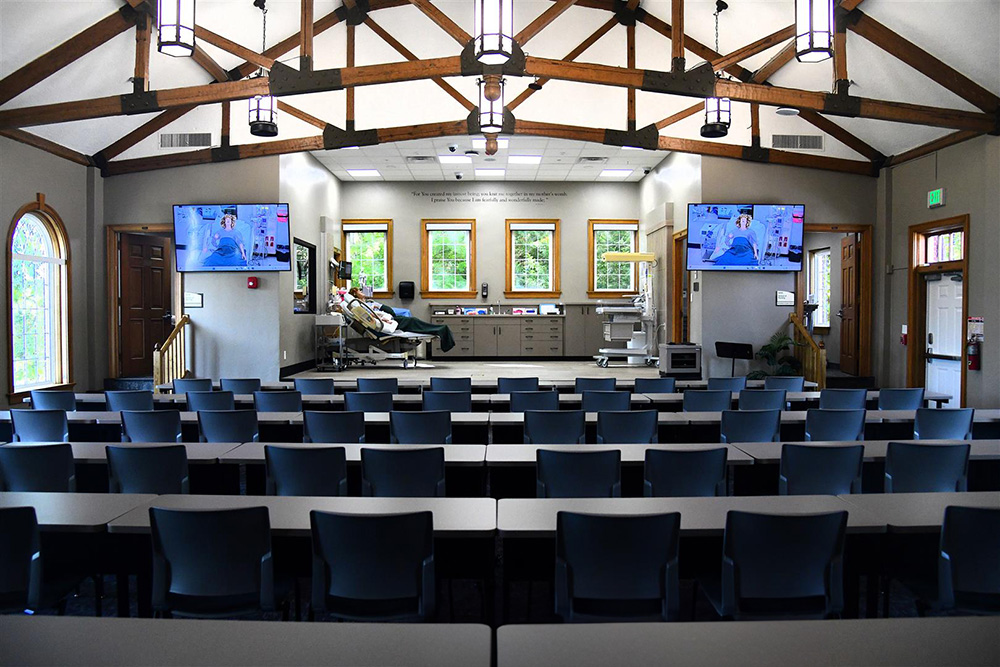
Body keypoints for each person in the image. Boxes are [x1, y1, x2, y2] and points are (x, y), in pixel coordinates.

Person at [346, 288, 456, 352]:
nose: (362, 291)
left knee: (413, 321)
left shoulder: (365, 304)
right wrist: (383, 319)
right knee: (413, 321)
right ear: (355, 294)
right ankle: (440, 330)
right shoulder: (360, 307)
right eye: (360, 291)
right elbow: (370, 318)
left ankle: (440, 330)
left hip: (387, 321)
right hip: (385, 325)